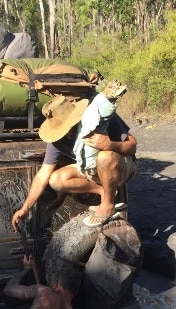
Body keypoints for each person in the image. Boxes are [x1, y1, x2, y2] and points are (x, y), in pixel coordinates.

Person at [11, 94, 137, 230]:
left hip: (121, 167)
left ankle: (108, 205)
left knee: (104, 157)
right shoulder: (57, 139)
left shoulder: (98, 118)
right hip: (92, 168)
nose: (67, 134)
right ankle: (104, 191)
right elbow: (44, 173)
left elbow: (133, 146)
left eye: (69, 128)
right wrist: (25, 208)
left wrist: (109, 144)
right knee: (56, 179)